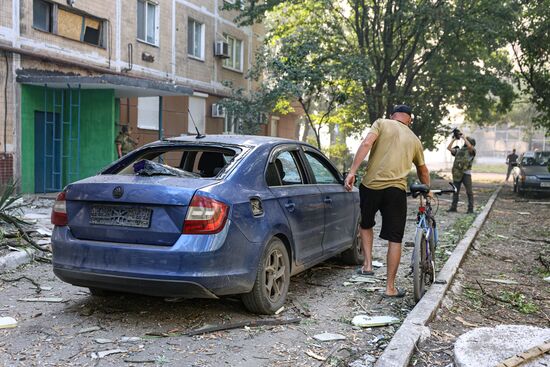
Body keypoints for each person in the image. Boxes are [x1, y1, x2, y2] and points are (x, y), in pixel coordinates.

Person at [344, 104, 430, 298]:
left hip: (370, 185)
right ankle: (390, 287)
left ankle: (367, 265)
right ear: (409, 120)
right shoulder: (415, 140)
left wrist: (352, 172)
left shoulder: (381, 123)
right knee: (395, 238)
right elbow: (423, 170)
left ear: (393, 116)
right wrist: (428, 190)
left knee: (366, 224)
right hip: (396, 191)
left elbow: (366, 143)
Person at [447, 131, 476, 213]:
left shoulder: (472, 151)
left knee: (469, 192)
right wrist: (454, 139)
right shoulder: (459, 150)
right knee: (455, 191)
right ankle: (453, 207)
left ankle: (470, 209)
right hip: (457, 174)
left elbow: (470, 147)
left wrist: (464, 138)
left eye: (468, 141)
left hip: (466, 174)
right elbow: (449, 148)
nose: (466, 142)